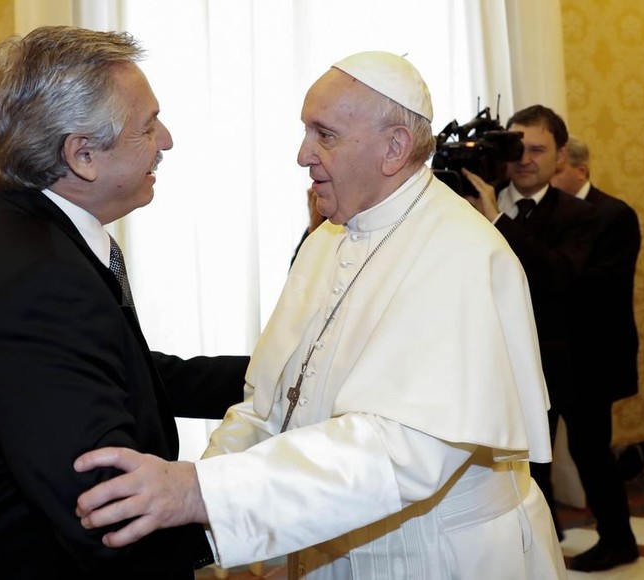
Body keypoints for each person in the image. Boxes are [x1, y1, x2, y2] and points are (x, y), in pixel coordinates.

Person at [74, 51, 566, 579]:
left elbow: (402, 449)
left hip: (439, 555)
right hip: (329, 541)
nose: (302, 154)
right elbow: (268, 403)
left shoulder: (462, 254)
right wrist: (202, 492)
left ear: (394, 147)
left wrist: (206, 495)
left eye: (324, 135)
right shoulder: (325, 242)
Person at [0, 26, 248, 579]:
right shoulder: (38, 283)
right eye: (147, 126)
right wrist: (264, 521)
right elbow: (106, 510)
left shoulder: (11, 223)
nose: (167, 140)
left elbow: (106, 372)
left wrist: (271, 378)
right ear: (82, 156)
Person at [460, 107, 600, 545]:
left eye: (537, 149)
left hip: (561, 360)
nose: (524, 158)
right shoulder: (469, 200)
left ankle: (597, 542)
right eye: (516, 147)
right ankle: (530, 543)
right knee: (508, 467)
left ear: (560, 156)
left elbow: (559, 275)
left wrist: (497, 222)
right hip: (486, 358)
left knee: (577, 456)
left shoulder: (580, 215)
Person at [547, 137, 642, 571]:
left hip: (592, 360)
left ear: (579, 169)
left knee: (591, 454)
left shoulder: (614, 215)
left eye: (555, 167)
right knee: (536, 454)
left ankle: (618, 539)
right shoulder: (543, 216)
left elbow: (602, 289)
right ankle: (547, 532)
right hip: (549, 359)